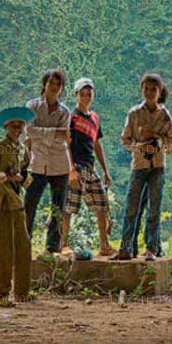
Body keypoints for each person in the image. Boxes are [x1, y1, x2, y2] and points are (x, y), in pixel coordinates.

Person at [113, 72, 172, 262]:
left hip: (157, 166)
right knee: (131, 208)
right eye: (146, 89)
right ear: (142, 90)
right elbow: (125, 139)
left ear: (160, 92)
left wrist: (158, 143)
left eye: (153, 89)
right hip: (139, 165)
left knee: (153, 209)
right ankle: (126, 249)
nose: (149, 93)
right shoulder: (134, 114)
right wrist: (140, 147)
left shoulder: (165, 116)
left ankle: (151, 249)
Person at [0, 106, 34, 305]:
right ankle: (0, 295)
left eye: (20, 125)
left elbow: (28, 176)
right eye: (13, 126)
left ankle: (22, 293)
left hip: (17, 202)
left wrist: (20, 179)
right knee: (3, 249)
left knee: (23, 246)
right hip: (2, 203)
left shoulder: (23, 149)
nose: (16, 129)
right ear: (6, 127)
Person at [61, 77, 115, 256]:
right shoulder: (71, 117)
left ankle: (104, 245)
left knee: (102, 205)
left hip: (90, 167)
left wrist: (105, 171)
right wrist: (70, 170)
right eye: (82, 94)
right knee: (69, 207)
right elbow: (65, 144)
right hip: (76, 166)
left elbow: (97, 145)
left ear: (93, 95)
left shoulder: (94, 118)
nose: (86, 97)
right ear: (76, 95)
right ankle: (62, 244)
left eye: (89, 93)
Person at [23, 69, 74, 256]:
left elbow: (60, 136)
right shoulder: (32, 106)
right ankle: (23, 244)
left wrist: (40, 134)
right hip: (36, 164)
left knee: (58, 208)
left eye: (58, 84)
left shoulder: (64, 111)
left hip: (60, 164)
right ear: (44, 84)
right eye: (51, 83)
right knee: (29, 205)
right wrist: (54, 134)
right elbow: (29, 131)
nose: (54, 87)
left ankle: (52, 248)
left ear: (61, 89)